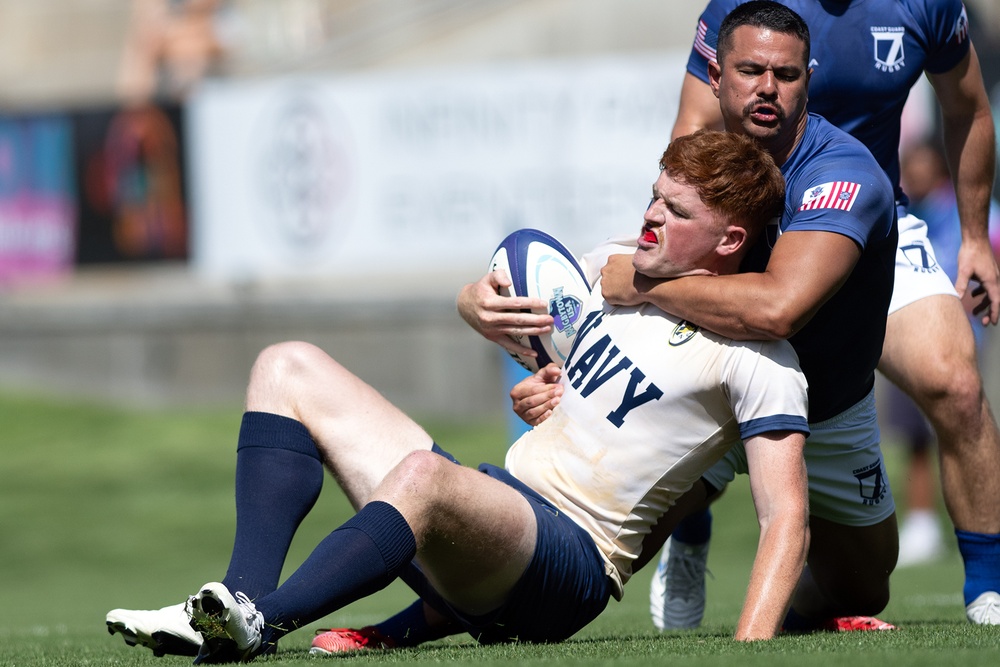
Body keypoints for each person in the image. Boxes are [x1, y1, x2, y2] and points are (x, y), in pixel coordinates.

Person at [106, 129, 811, 662]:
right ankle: (235, 599)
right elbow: (504, 307)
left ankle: (261, 622)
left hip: (568, 564)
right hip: (492, 514)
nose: (651, 215)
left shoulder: (762, 359)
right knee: (286, 365)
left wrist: (747, 647)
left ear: (731, 239)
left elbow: (785, 516)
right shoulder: (615, 270)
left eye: (675, 209)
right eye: (654, 194)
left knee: (425, 477)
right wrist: (475, 304)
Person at [650, 0, 1000, 628]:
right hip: (754, 229)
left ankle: (989, 592)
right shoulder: (741, 10)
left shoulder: (926, 4)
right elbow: (695, 122)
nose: (769, 85)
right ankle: (689, 526)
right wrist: (679, 245)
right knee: (684, 399)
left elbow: (967, 106)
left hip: (873, 225)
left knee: (958, 383)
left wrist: (975, 238)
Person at [891, 140, 1000, 567]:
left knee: (967, 430)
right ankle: (922, 524)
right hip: (909, 333)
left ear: (939, 167)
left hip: (963, 337)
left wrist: (981, 291)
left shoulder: (968, 212)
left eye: (918, 166)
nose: (911, 175)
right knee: (915, 436)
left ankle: (982, 536)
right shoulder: (905, 213)